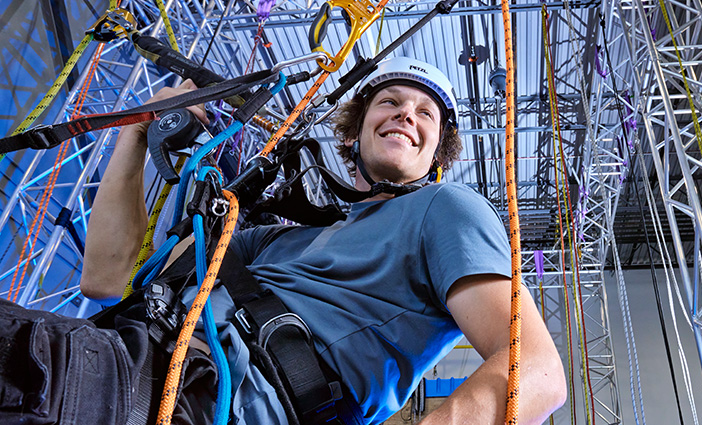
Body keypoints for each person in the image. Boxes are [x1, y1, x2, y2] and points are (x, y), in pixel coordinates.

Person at [80, 57, 566, 424]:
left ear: (437, 152)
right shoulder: (270, 243)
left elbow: (539, 371)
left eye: (425, 115)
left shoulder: (445, 210)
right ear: (354, 133)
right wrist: (138, 135)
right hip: (129, 354)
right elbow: (106, 278)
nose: (406, 116)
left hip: (213, 400)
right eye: (390, 103)